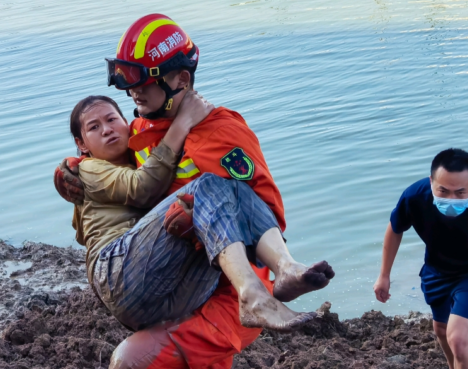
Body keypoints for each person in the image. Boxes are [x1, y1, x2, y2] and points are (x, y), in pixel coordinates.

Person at [56, 14, 335, 368]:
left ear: (181, 79)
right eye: (127, 81)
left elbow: (261, 211)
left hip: (222, 292)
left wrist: (200, 227)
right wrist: (71, 169)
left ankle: (284, 269)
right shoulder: (139, 130)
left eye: (143, 82)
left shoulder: (220, 131)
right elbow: (115, 179)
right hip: (161, 274)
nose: (132, 92)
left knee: (131, 360)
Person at [68, 93, 325, 332]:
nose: (107, 129)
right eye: (94, 127)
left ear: (126, 123)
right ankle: (252, 295)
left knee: (234, 189)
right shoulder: (87, 169)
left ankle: (285, 267)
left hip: (164, 294)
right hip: (117, 274)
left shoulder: (139, 153)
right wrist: (184, 121)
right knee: (207, 186)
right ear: (81, 144)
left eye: (112, 119)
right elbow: (141, 188)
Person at [373, 148, 468, 369]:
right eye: (443, 190)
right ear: (431, 182)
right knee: (441, 330)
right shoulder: (415, 196)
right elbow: (395, 228)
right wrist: (384, 275)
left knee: (459, 338)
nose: (451, 199)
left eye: (460, 193)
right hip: (437, 270)